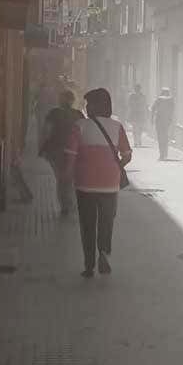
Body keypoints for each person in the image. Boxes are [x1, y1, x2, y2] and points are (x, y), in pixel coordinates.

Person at [65, 88, 132, 279]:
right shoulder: (117, 126)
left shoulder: (80, 126)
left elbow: (71, 155)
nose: (86, 108)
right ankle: (103, 252)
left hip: (84, 184)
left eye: (88, 104)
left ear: (94, 106)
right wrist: (115, 165)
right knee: (106, 221)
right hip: (110, 184)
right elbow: (127, 156)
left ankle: (88, 265)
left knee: (87, 224)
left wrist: (66, 176)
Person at [39, 89, 83, 216]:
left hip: (55, 150)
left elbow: (46, 131)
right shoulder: (78, 114)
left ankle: (65, 204)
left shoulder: (54, 113)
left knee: (61, 178)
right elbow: (83, 133)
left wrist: (42, 146)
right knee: (69, 178)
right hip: (73, 151)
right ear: (72, 100)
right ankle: (68, 203)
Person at [151, 86, 174, 161]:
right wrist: (170, 119)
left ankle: (162, 154)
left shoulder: (159, 99)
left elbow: (153, 109)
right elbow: (172, 110)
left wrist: (151, 119)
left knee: (160, 137)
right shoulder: (171, 100)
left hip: (159, 120)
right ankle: (165, 153)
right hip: (167, 121)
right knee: (165, 136)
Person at [127, 83, 148, 148]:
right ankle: (138, 140)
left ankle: (136, 141)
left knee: (135, 128)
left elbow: (129, 104)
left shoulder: (132, 96)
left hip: (134, 114)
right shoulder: (142, 96)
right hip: (139, 114)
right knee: (138, 128)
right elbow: (144, 105)